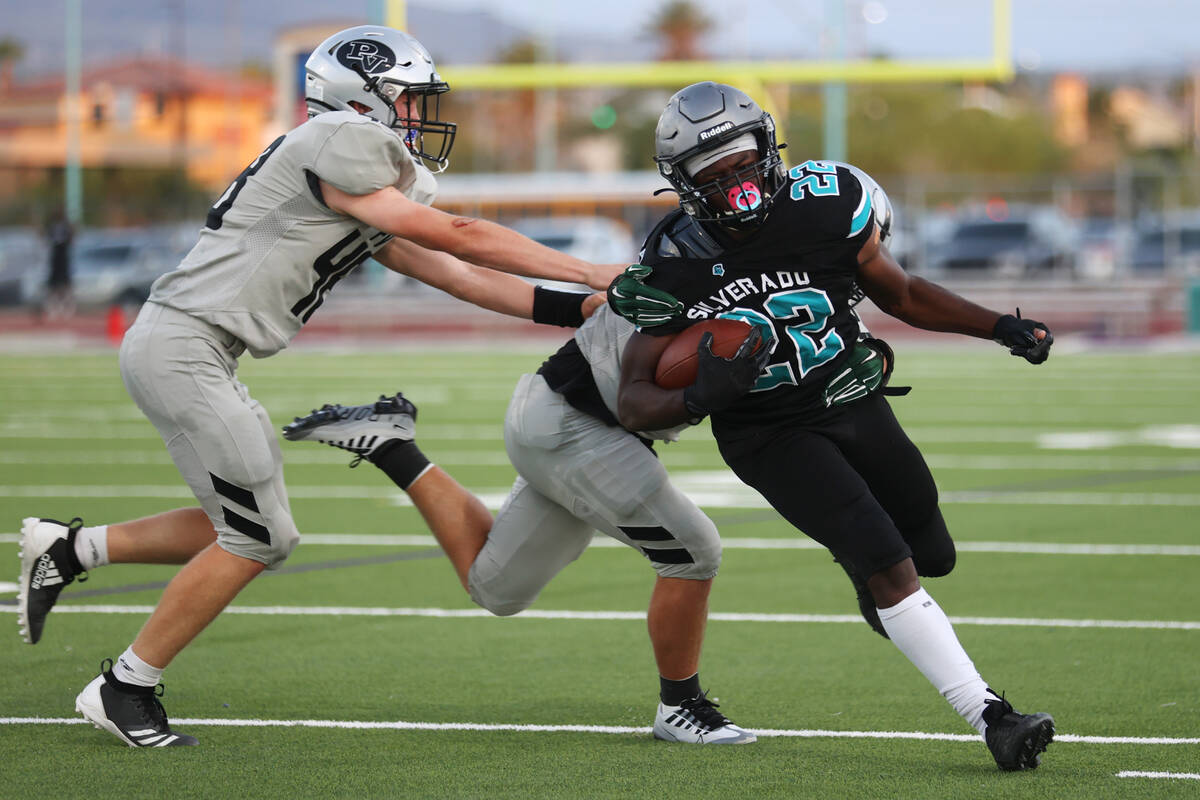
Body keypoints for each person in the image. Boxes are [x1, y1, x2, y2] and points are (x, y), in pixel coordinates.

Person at [16, 24, 622, 748]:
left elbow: (456, 274)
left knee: (249, 527)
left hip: (198, 348)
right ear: (360, 95)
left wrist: (577, 308)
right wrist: (588, 269)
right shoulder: (338, 141)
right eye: (406, 98)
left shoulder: (355, 175)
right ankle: (124, 686)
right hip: (183, 346)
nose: (417, 117)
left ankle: (71, 551)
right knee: (257, 537)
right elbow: (457, 235)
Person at [605, 81, 1056, 771]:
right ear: (683, 184)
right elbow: (633, 401)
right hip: (767, 436)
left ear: (768, 147)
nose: (737, 183)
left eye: (743, 160)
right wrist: (701, 393)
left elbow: (900, 293)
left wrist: (998, 326)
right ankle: (992, 716)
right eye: (713, 174)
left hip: (852, 397)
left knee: (932, 553)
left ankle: (870, 576)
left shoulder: (826, 204)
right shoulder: (672, 259)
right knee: (891, 564)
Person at [279, 297, 773, 744]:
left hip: (567, 422)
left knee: (498, 589)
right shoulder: (695, 257)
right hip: (575, 426)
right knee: (691, 551)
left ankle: (391, 446)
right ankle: (680, 706)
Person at [42, 208, 74, 319]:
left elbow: (71, 238)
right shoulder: (51, 227)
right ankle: (53, 309)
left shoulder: (66, 227)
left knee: (65, 285)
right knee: (53, 285)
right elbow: (46, 239)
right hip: (55, 258)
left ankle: (67, 309)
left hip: (63, 258)